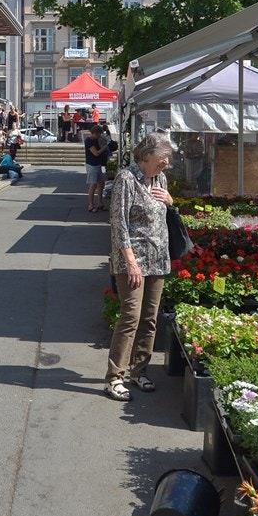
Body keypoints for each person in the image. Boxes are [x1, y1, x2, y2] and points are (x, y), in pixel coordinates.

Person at [105, 132, 175, 401]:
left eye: (168, 158)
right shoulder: (126, 178)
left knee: (150, 318)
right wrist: (131, 262)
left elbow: (163, 214)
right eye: (163, 157)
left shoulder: (160, 179)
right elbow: (119, 224)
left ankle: (139, 371)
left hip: (158, 257)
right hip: (132, 260)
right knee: (130, 317)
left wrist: (170, 202)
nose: (166, 162)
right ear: (146, 155)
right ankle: (114, 377)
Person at [84, 122, 116, 213]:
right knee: (93, 185)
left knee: (101, 184)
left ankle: (100, 203)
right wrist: (105, 148)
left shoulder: (97, 139)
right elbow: (96, 153)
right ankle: (91, 205)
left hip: (97, 164)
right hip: (92, 164)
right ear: (95, 133)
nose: (99, 135)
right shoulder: (89, 141)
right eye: (98, 134)